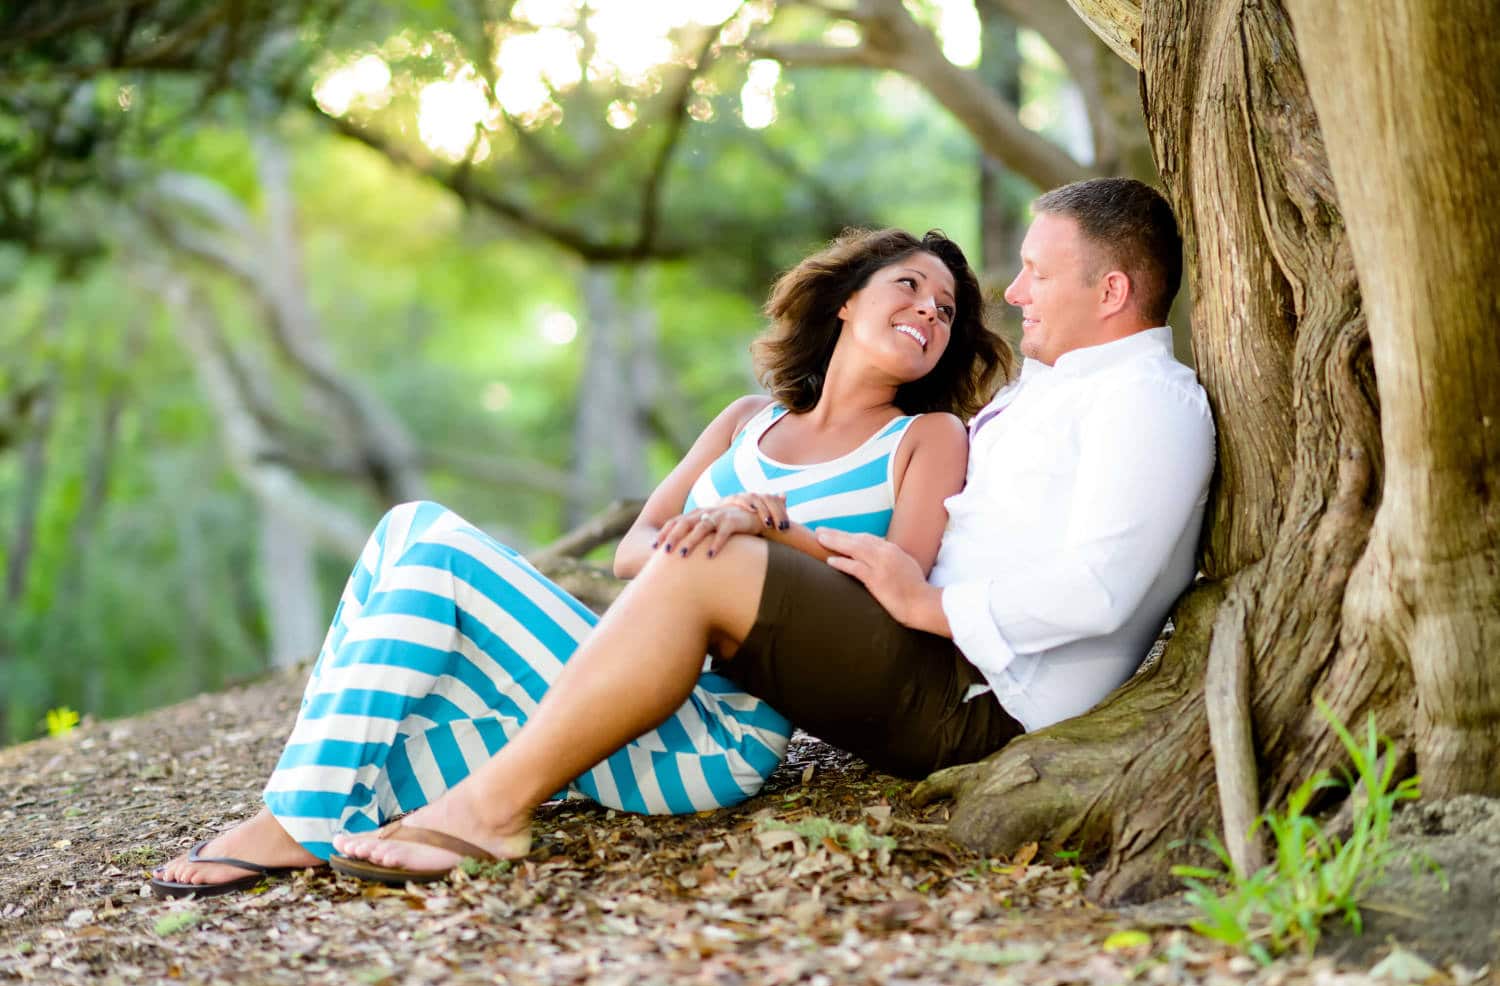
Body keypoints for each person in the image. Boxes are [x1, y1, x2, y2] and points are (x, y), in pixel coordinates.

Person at [320, 176, 1216, 886]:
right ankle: (339, 798)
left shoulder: (1148, 402)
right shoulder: (1061, 389)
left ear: (1111, 289)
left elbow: (1104, 591)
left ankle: (492, 809)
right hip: (929, 650)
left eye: (1038, 272)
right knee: (669, 553)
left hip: (976, 694)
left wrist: (931, 601)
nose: (1013, 291)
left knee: (706, 560)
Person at [149, 227, 1012, 896]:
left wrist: (766, 525)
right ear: (846, 303)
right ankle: (308, 807)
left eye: (946, 313)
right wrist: (723, 518)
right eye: (911, 287)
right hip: (632, 671)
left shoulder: (925, 437)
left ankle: (295, 819)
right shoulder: (746, 420)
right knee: (409, 529)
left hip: (715, 734)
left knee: (441, 555)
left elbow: (898, 579)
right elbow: (641, 551)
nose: (930, 314)